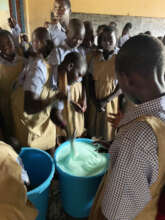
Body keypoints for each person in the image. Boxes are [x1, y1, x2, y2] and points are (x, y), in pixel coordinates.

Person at [89, 35, 165, 220]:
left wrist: (125, 147)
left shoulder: (136, 138)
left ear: (127, 80)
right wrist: (116, 146)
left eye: (118, 81)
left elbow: (114, 215)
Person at [11, 27, 58, 151]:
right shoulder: (39, 63)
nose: (33, 44)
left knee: (38, 143)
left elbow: (30, 105)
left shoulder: (41, 65)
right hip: (34, 114)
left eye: (37, 41)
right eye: (33, 41)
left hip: (38, 114)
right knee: (37, 144)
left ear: (46, 43)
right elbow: (29, 106)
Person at [87, 26, 119, 140]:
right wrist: (94, 100)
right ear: (100, 41)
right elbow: (90, 81)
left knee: (107, 132)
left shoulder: (119, 59)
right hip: (95, 101)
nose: (107, 42)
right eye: (103, 39)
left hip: (110, 101)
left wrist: (106, 100)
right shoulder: (95, 59)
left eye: (110, 39)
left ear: (116, 40)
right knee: (93, 131)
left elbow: (121, 86)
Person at [50, 52, 87, 141]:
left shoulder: (64, 81)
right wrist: (67, 130)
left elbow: (55, 111)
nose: (78, 80)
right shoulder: (46, 73)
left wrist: (67, 130)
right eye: (78, 75)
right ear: (70, 66)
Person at [0, 141, 37, 219]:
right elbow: (23, 174)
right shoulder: (13, 156)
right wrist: (28, 184)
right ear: (17, 152)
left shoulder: (3, 145)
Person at [0, 30, 25, 138]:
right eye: (1, 45)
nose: (5, 47)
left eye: (9, 43)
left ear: (14, 42)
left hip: (21, 104)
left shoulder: (23, 62)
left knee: (22, 130)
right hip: (5, 105)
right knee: (10, 131)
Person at [48, 18, 86, 89]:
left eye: (80, 39)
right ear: (67, 32)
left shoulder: (79, 53)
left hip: (75, 90)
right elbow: (53, 79)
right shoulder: (57, 52)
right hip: (61, 91)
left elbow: (80, 77)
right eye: (75, 38)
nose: (77, 42)